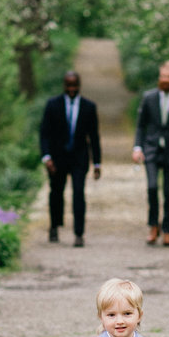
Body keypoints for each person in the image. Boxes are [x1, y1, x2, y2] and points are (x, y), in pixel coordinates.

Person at [132, 60, 169, 247]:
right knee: (151, 187)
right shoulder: (149, 97)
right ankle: (153, 226)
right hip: (151, 148)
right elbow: (141, 125)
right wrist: (137, 147)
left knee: (168, 191)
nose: (164, 80)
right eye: (162, 76)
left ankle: (167, 230)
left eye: (168, 76)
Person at [40, 71, 101, 247]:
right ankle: (54, 226)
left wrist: (97, 163)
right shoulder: (53, 105)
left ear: (79, 85)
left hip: (79, 158)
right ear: (64, 85)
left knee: (79, 194)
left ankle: (79, 233)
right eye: (69, 85)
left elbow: (94, 137)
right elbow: (44, 133)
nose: (72, 89)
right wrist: (46, 157)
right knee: (56, 193)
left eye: (75, 85)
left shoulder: (89, 107)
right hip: (57, 158)